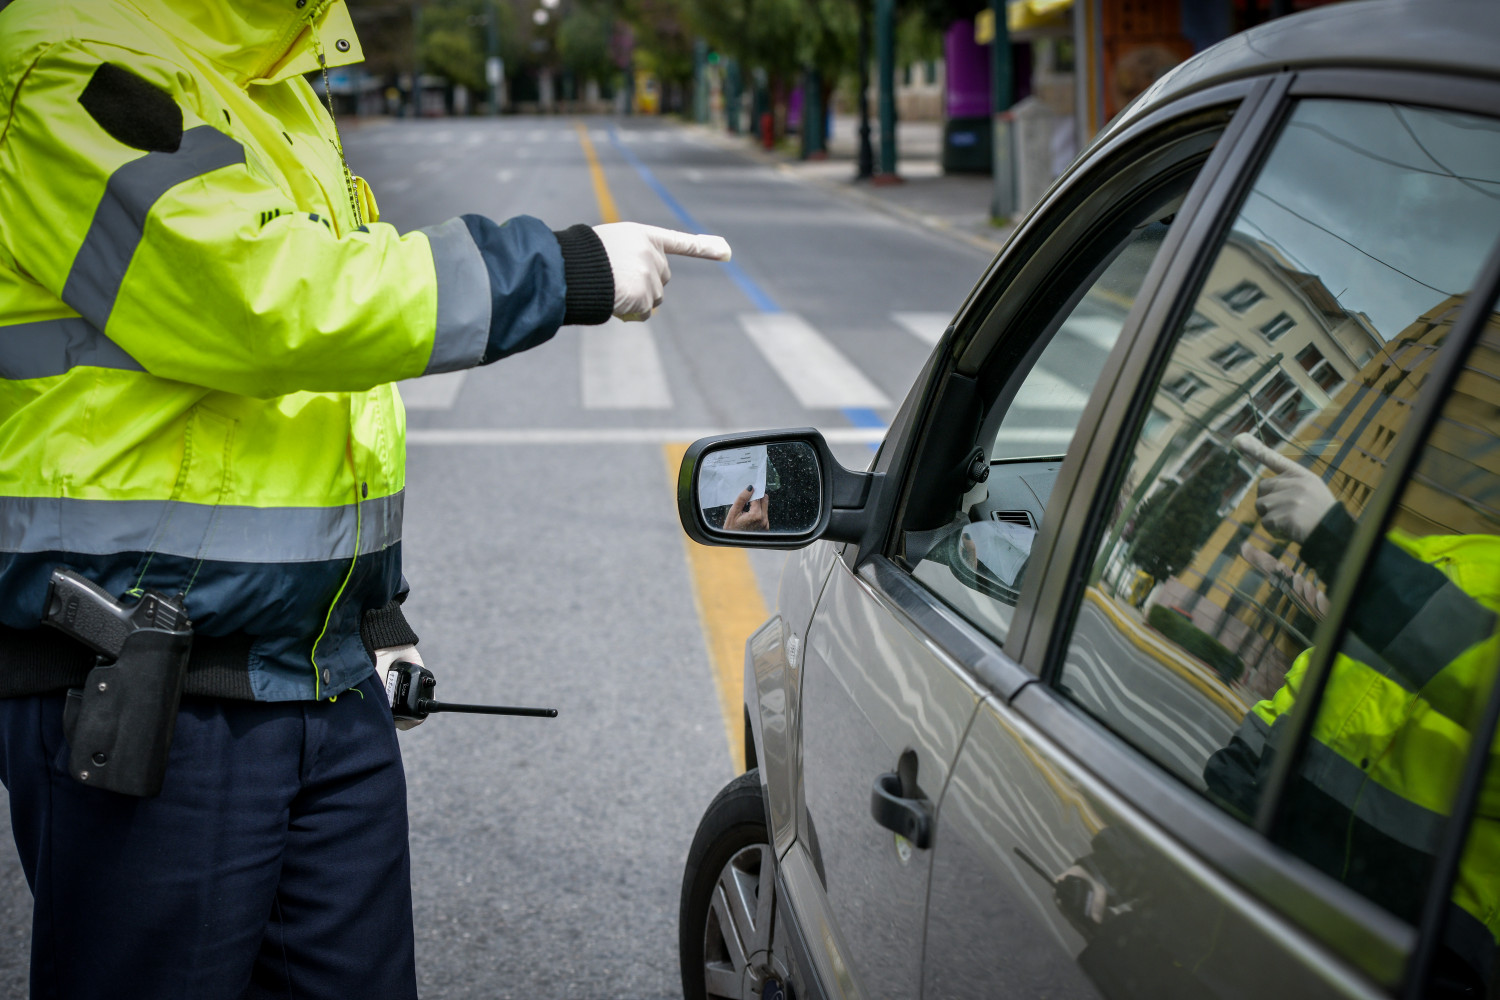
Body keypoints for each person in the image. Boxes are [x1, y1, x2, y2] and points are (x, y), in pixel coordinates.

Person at [0, 1, 730, 997]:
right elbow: (269, 302)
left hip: (317, 677)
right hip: (143, 686)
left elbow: (335, 401)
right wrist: (555, 268)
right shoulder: (67, 57)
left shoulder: (275, 81)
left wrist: (374, 609)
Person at [1205, 434, 1500, 992]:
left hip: (1411, 952)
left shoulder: (1406, 566)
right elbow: (1329, 670)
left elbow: (1477, 674)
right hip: (1268, 882)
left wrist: (1338, 543)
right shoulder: (1454, 557)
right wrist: (1241, 774)